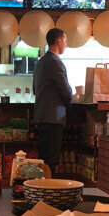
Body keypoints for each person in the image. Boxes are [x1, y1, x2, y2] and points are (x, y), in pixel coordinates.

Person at [33, 28, 72, 176]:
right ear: (58, 41)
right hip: (53, 118)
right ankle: (49, 188)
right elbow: (66, 91)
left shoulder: (39, 63)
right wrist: (70, 102)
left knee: (43, 160)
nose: (66, 45)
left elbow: (35, 89)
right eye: (65, 41)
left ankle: (41, 187)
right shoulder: (55, 62)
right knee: (51, 162)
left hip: (41, 116)